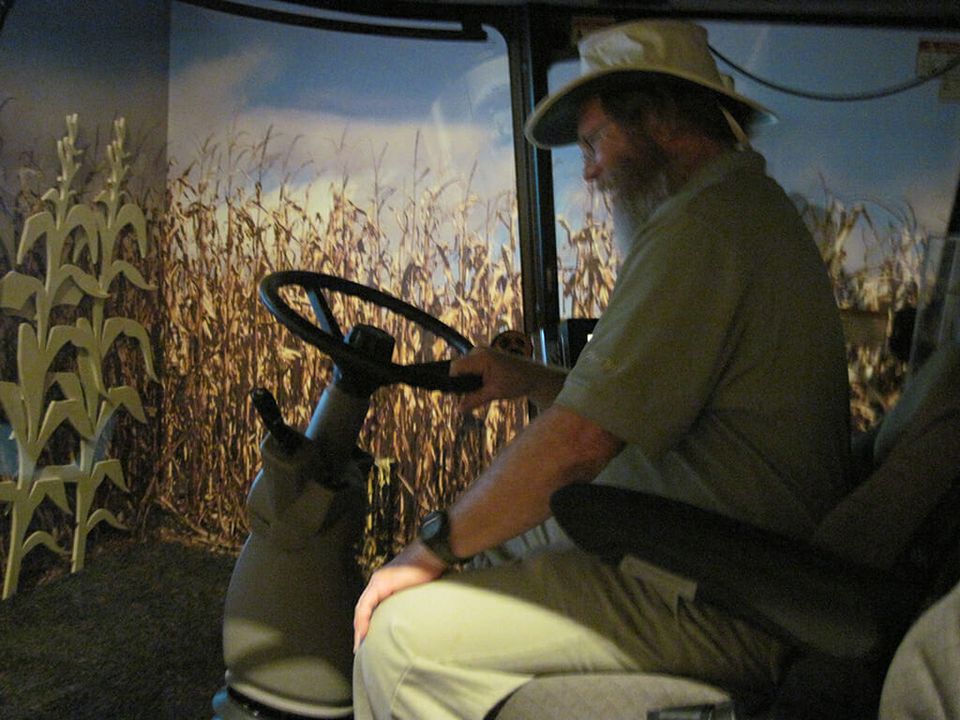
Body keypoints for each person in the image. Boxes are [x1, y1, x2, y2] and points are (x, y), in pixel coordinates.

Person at [352, 19, 851, 720]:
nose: (587, 169)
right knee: (490, 552)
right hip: (700, 552)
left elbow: (581, 442)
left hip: (722, 592)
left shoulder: (702, 230)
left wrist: (427, 545)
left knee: (398, 639)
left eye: (594, 141)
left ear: (661, 118)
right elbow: (655, 399)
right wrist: (531, 380)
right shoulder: (741, 212)